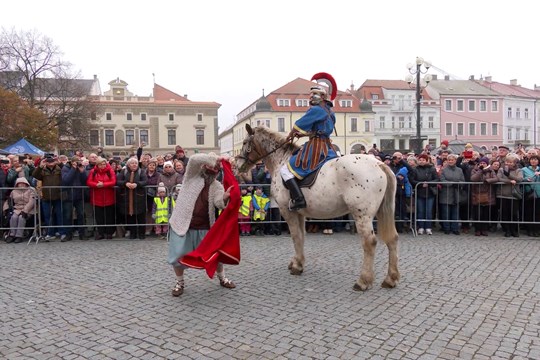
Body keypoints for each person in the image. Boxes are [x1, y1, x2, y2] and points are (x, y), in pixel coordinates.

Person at [167, 153, 235, 296]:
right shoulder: (191, 177)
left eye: (216, 168)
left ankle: (223, 278)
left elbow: (219, 203)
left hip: (205, 227)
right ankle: (180, 283)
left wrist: (225, 197)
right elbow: (193, 159)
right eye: (211, 166)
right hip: (182, 225)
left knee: (215, 256)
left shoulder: (216, 185)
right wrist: (217, 158)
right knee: (177, 256)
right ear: (204, 165)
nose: (213, 169)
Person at [280, 73, 338, 210]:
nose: (311, 97)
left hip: (316, 147)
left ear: (322, 96)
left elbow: (298, 124)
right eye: (311, 95)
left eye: (314, 94)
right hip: (328, 147)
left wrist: (291, 134)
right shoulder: (330, 111)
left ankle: (299, 200)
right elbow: (321, 130)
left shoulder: (316, 109)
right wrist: (303, 134)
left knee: (285, 171)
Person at [116, 158, 148, 240]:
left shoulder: (141, 171)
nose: (134, 165)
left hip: (138, 197)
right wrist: (125, 183)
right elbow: (118, 181)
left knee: (141, 216)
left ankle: (141, 234)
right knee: (130, 217)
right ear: (128, 165)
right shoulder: (124, 172)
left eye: (136, 163)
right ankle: (133, 233)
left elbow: (145, 181)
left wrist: (137, 184)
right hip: (127, 198)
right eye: (132, 163)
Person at [87, 157, 117, 240]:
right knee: (99, 217)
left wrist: (104, 184)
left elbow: (113, 181)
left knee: (109, 216)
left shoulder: (110, 171)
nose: (103, 166)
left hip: (109, 197)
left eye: (104, 164)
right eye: (101, 164)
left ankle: (109, 233)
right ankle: (101, 233)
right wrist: (96, 184)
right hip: (97, 197)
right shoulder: (93, 171)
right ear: (97, 165)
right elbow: (89, 182)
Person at [3, 177, 36, 243]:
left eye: (23, 183)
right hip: (17, 208)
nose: (21, 185)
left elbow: (31, 202)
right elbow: (9, 201)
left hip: (28, 209)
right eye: (20, 183)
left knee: (21, 218)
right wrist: (5, 209)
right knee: (13, 217)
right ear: (17, 184)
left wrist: (25, 210)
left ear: (26, 184)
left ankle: (19, 236)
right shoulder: (13, 191)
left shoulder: (31, 191)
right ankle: (12, 235)